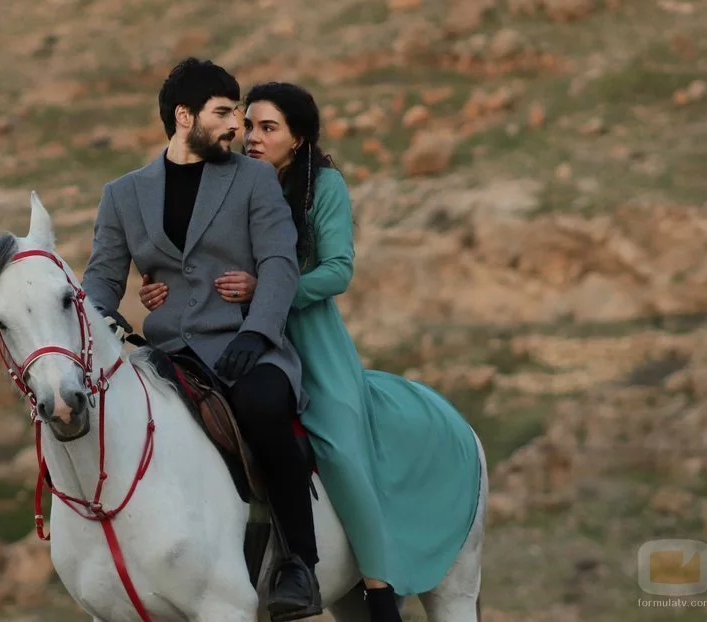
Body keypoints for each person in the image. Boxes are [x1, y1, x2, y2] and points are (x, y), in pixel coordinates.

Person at [138, 82, 483, 622]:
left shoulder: (324, 187)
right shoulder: (229, 181)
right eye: (249, 126)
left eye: (268, 128)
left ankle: (378, 590)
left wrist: (272, 291)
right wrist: (159, 286)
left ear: (297, 138)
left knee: (339, 449)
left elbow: (338, 269)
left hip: (307, 335)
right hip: (230, 334)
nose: (252, 137)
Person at [80, 60, 322, 620]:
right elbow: (103, 278)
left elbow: (279, 263)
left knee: (263, 408)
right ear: (183, 117)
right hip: (166, 353)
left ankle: (299, 563)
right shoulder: (122, 194)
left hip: (246, 347)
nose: (236, 125)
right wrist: (99, 321)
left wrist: (258, 331)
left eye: (237, 112)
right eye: (223, 113)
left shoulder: (254, 180)